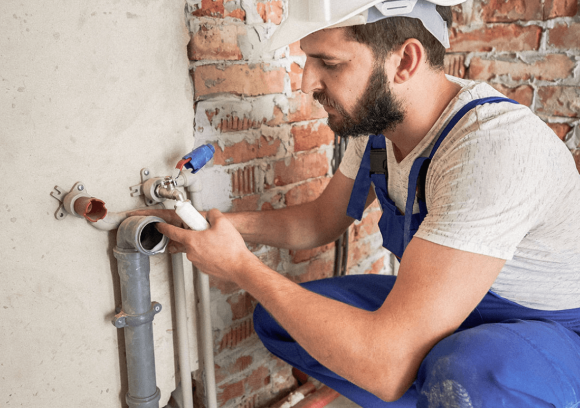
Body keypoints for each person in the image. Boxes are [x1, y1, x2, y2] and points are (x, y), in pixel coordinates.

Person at [143, 1, 580, 406]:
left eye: (328, 63)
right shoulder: (378, 133)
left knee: (467, 371)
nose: (306, 81)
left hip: (552, 330)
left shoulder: (488, 148)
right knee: (283, 321)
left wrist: (240, 267)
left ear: (404, 61)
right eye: (309, 59)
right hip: (453, 305)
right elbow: (318, 222)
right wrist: (210, 226)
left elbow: (388, 368)